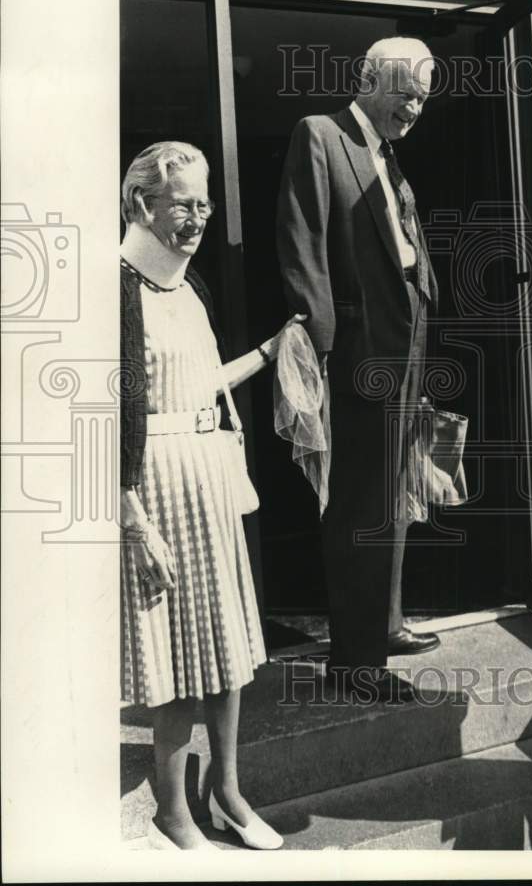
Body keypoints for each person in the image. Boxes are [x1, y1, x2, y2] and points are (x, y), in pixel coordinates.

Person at [120, 141, 299, 850]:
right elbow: (105, 414)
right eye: (182, 205)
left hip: (207, 478)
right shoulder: (114, 290)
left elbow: (201, 384)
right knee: (174, 659)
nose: (196, 218)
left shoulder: (190, 286)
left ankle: (227, 792)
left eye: (204, 205)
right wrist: (134, 523)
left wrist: (268, 352)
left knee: (226, 648)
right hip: (155, 488)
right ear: (141, 205)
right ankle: (173, 811)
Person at [276, 37, 453, 703]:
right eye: (404, 92)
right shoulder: (321, 135)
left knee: (396, 490)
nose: (413, 108)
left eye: (421, 99)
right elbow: (301, 242)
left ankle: (385, 624)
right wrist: (323, 351)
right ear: (367, 79)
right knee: (361, 503)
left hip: (405, 337)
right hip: (358, 348)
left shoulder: (388, 153)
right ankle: (355, 664)